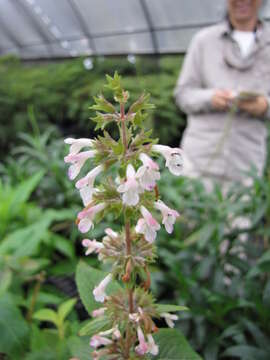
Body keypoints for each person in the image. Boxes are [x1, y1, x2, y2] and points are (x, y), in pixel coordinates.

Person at [174, 0, 270, 190]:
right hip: (199, 162)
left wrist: (265, 105)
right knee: (194, 217)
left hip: (246, 167)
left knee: (241, 219)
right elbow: (183, 94)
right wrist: (210, 98)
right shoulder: (204, 40)